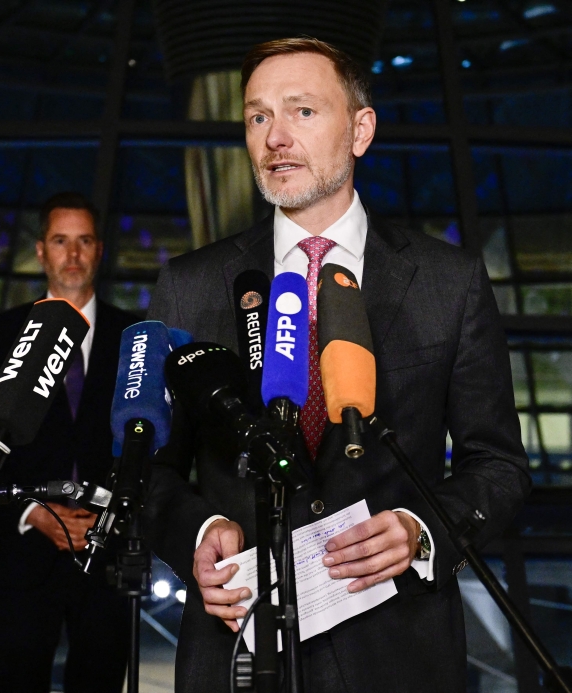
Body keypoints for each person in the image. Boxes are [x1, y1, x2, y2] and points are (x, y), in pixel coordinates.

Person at [144, 38, 531, 693]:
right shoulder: (192, 285)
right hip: (238, 651)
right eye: (258, 116)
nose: (275, 137)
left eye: (302, 111)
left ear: (360, 130)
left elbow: (498, 465)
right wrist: (199, 531)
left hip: (398, 653)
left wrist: (420, 530)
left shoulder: (449, 281)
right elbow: (149, 469)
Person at [0, 192, 138, 693]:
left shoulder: (134, 337)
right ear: (41, 251)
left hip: (107, 558)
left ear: (99, 250)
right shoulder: (1, 335)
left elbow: (149, 447)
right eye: (61, 241)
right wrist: (33, 511)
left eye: (84, 241)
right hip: (20, 557)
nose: (73, 254)